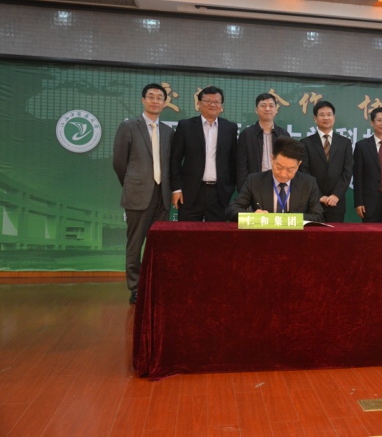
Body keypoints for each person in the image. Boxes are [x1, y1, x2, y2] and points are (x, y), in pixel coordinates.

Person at [113, 83, 174, 304]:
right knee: (135, 243)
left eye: (159, 98)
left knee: (159, 245)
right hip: (137, 195)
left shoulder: (168, 131)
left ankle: (155, 285)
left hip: (162, 196)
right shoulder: (129, 127)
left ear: (165, 103)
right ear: (143, 100)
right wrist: (133, 184)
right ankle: (136, 287)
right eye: (151, 97)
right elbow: (119, 163)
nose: (155, 101)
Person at [170, 86, 237, 222]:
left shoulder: (230, 128)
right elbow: (175, 160)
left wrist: (229, 187)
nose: (213, 104)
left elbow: (233, 160)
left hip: (219, 194)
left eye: (216, 102)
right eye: (208, 101)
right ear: (199, 103)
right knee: (187, 233)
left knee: (217, 234)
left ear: (221, 106)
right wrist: (177, 189)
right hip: (190, 193)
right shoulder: (186, 126)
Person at [226, 137, 323, 222]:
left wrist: (289, 219)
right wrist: (253, 216)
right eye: (279, 167)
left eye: (290, 169)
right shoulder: (255, 181)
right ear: (272, 159)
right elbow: (232, 210)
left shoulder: (308, 183)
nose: (283, 174)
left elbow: (318, 216)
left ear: (298, 165)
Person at [299, 100, 353, 222]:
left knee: (335, 234)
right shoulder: (305, 143)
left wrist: (336, 195)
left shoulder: (345, 142)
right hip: (313, 201)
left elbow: (347, 171)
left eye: (329, 114)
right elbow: (304, 171)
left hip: (336, 203)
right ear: (315, 118)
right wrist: (319, 195)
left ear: (334, 118)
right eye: (322, 115)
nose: (326, 118)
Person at [236, 92, 290, 191]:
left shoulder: (284, 135)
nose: (267, 109)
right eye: (263, 105)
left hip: (278, 187)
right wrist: (244, 190)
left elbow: (288, 163)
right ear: (256, 110)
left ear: (276, 109)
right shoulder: (247, 135)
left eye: (271, 106)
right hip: (254, 187)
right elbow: (241, 167)